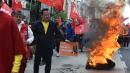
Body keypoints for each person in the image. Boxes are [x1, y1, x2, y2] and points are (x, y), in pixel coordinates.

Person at [32, 8, 64, 73]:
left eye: (48, 15)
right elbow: (32, 35)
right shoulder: (36, 24)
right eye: (46, 15)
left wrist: (64, 40)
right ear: (42, 16)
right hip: (39, 47)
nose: (47, 16)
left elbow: (58, 34)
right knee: (36, 64)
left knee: (48, 65)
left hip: (49, 48)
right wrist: (32, 44)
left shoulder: (52, 24)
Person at [0, 2, 25, 73]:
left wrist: (15, 70)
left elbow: (18, 50)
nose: (18, 18)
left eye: (19, 16)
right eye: (17, 16)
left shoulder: (8, 21)